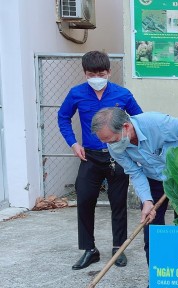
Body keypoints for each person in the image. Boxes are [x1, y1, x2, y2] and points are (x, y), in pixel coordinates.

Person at [91, 107, 178, 288]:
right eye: (105, 142)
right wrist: (147, 201)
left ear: (126, 127)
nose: (109, 145)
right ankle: (157, 282)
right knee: (151, 230)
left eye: (112, 140)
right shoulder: (114, 146)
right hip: (153, 180)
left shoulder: (157, 123)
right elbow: (135, 172)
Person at [57, 51, 143, 271]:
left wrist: (130, 144)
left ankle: (118, 248)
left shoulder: (122, 94)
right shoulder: (76, 93)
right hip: (89, 156)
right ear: (85, 73)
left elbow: (139, 119)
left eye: (101, 73)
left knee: (118, 203)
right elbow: (63, 117)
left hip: (118, 156)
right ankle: (89, 249)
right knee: (84, 200)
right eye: (91, 73)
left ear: (109, 72)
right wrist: (73, 143)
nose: (97, 77)